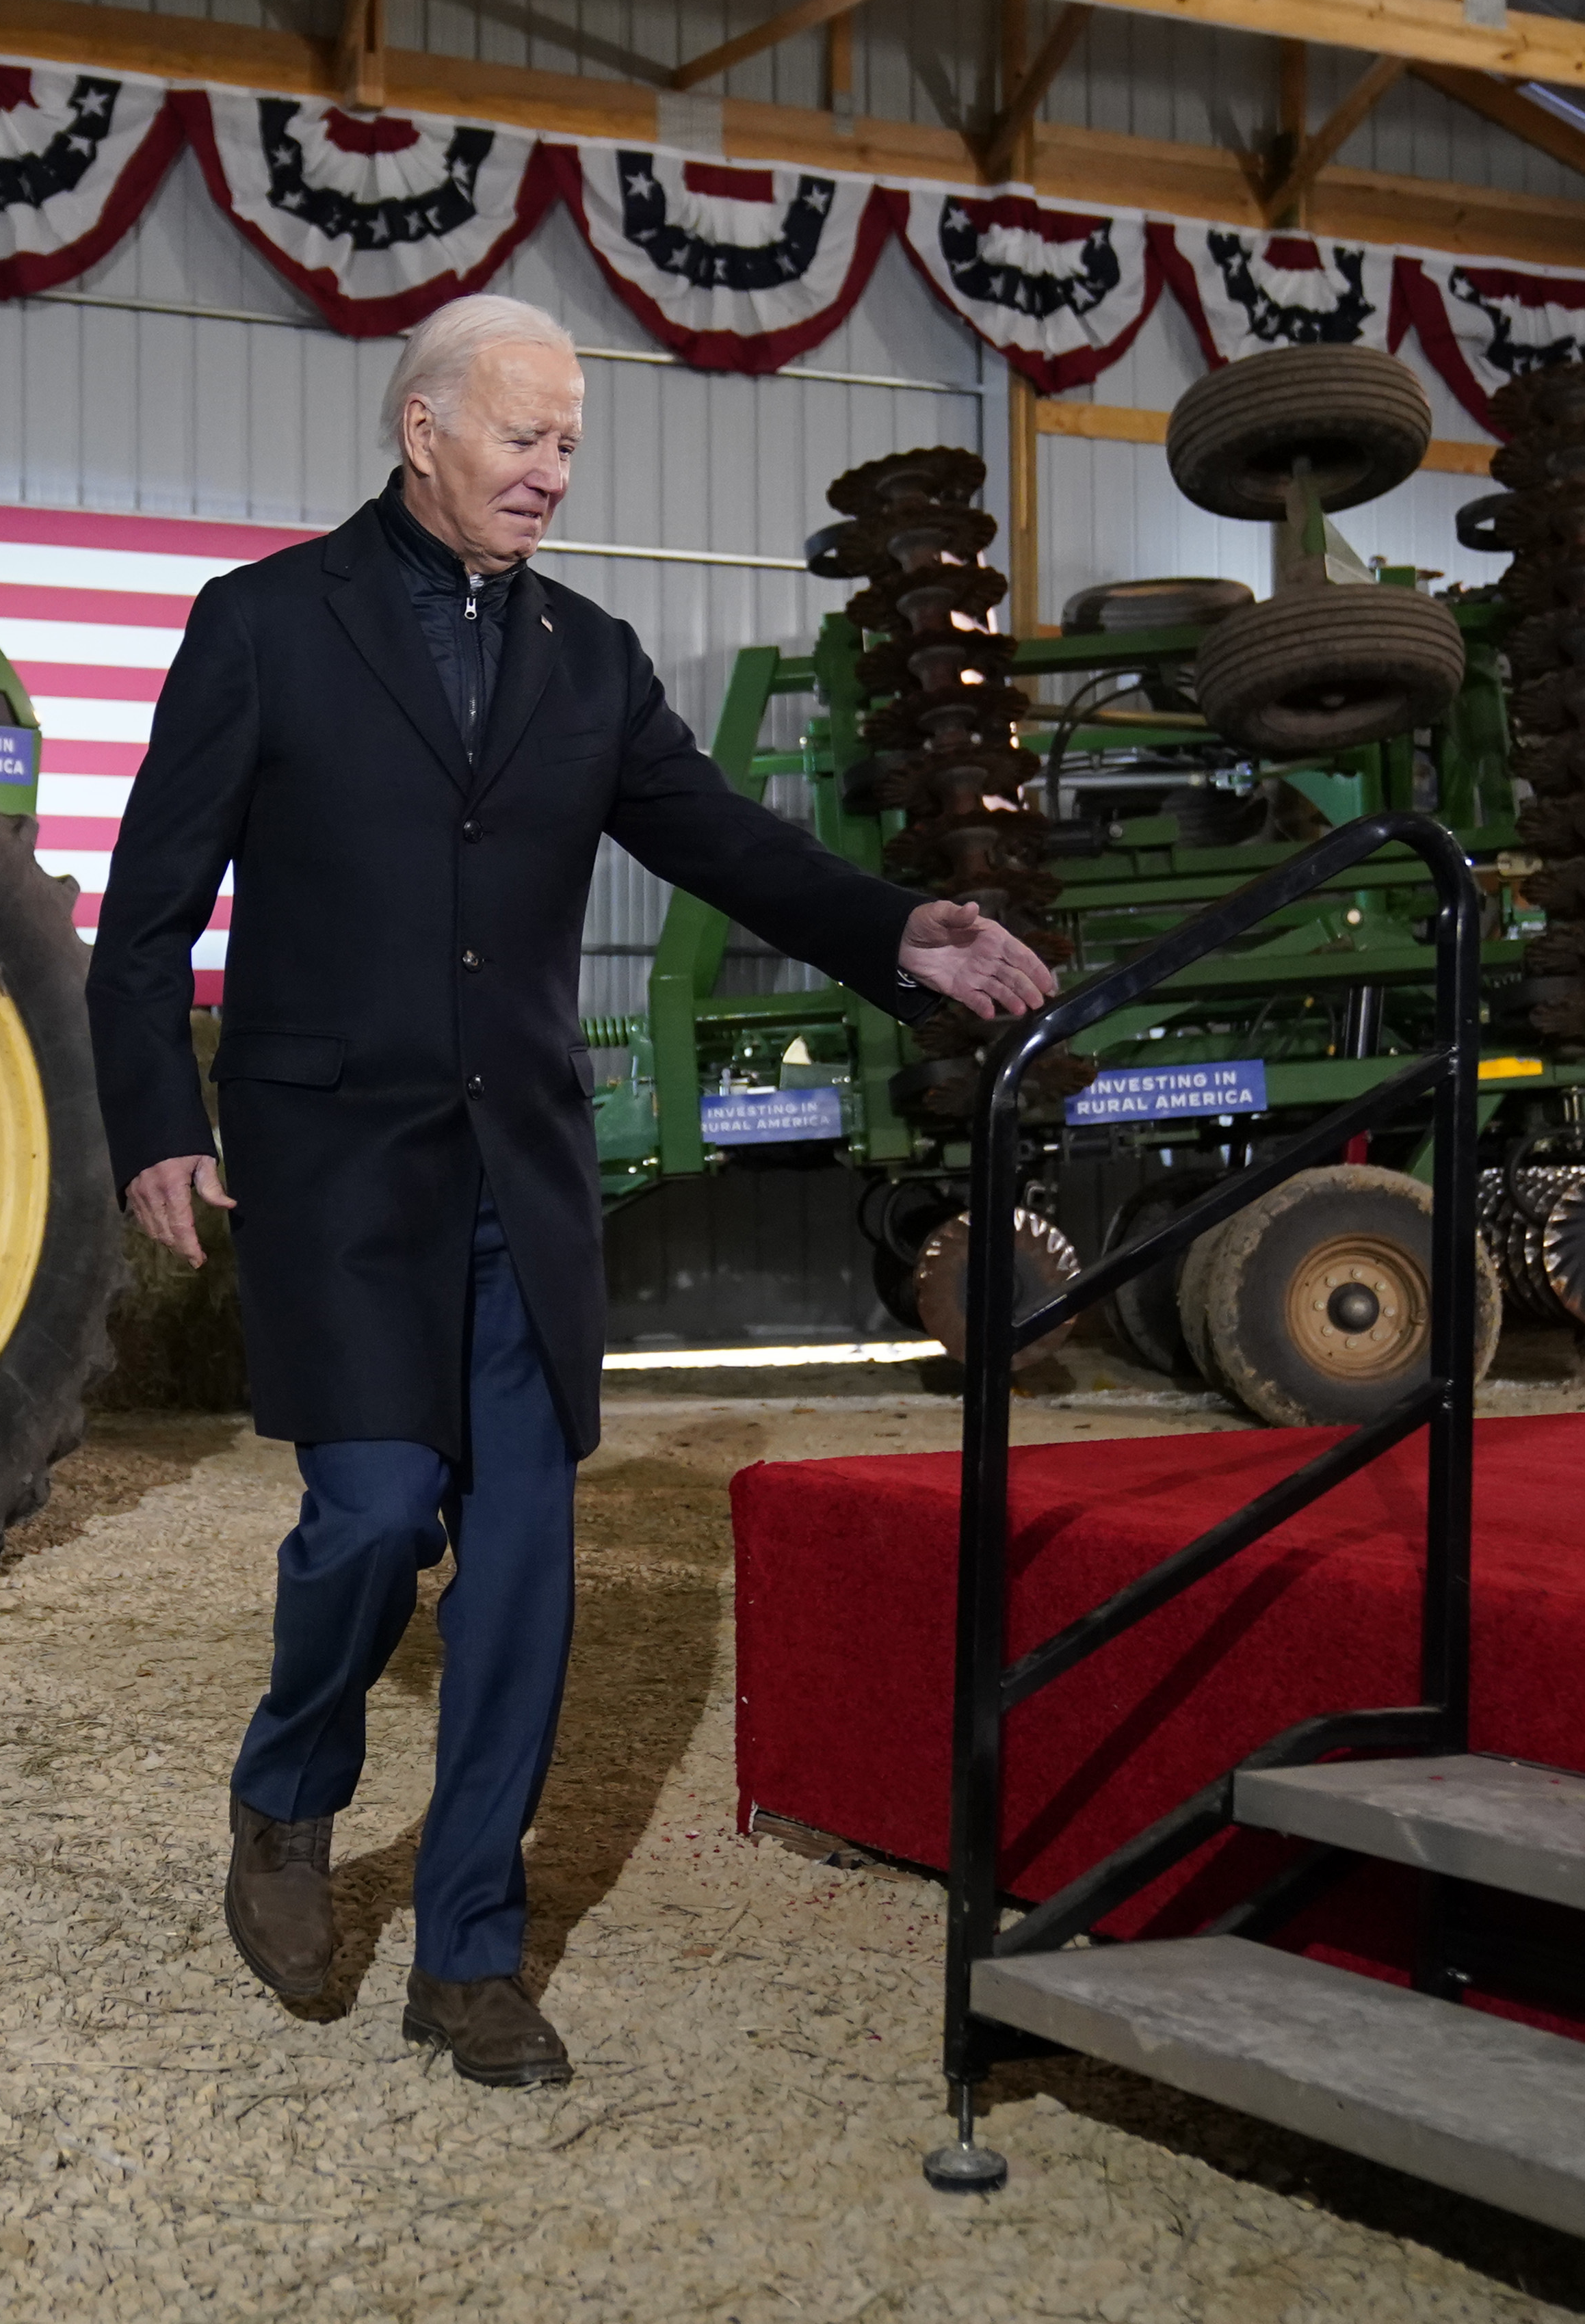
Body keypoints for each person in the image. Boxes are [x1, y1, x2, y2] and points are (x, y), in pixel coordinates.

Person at [86, 295, 1053, 2088]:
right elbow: (145, 916)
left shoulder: (589, 661)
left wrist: (897, 925)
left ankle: (471, 1956)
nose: (550, 469)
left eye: (567, 447)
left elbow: (722, 843)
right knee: (372, 1520)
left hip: (518, 1174)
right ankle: (286, 1795)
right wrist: (154, 1118)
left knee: (525, 1565)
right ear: (422, 431)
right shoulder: (262, 630)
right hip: (336, 1166)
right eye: (523, 437)